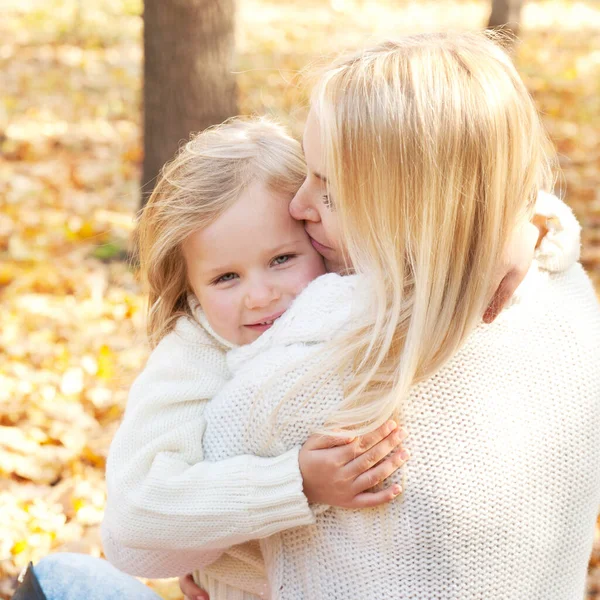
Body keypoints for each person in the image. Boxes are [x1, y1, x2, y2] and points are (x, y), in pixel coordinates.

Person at [103, 31, 600, 600]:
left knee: (57, 581)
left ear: (407, 205)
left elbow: (151, 537)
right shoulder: (565, 291)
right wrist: (522, 221)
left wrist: (223, 567)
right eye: (226, 277)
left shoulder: (305, 375)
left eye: (330, 192)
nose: (299, 206)